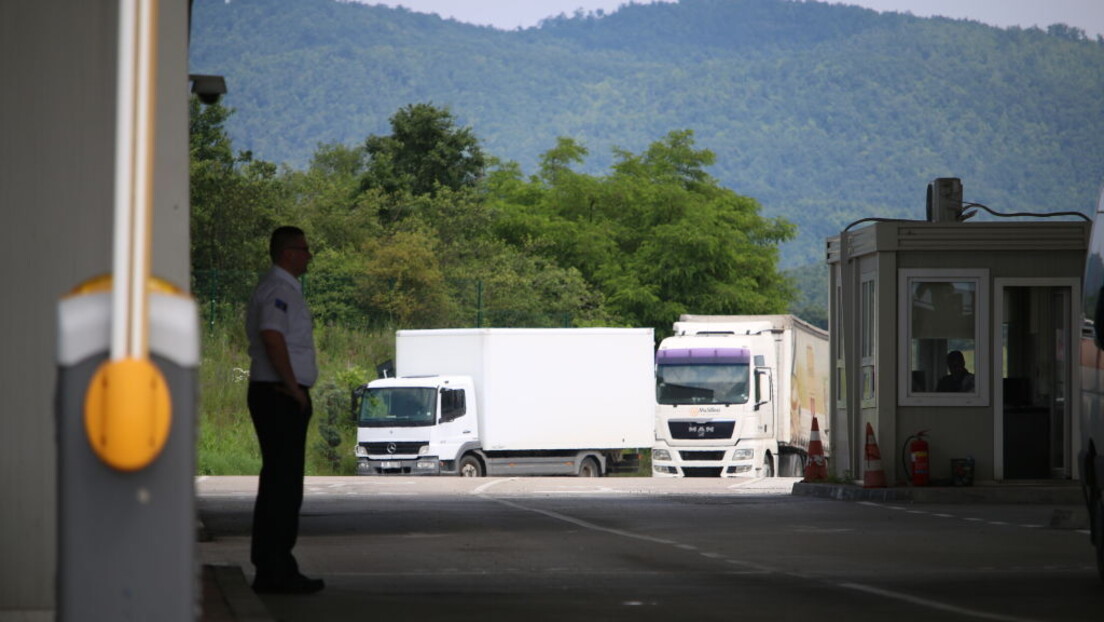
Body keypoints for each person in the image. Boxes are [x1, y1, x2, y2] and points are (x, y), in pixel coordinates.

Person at [245, 226, 324, 594]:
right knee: (283, 484)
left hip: (277, 392)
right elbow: (272, 336)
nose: (310, 255)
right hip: (279, 393)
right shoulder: (279, 290)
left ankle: (274, 564)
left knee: (280, 481)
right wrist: (294, 388)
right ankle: (276, 568)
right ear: (288, 253)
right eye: (305, 249)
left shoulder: (281, 288)